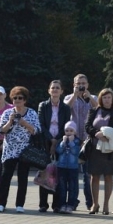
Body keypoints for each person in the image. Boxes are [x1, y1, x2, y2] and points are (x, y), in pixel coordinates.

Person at [0, 86, 40, 213]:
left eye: (20, 98)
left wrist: (24, 122)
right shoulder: (7, 113)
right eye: (15, 98)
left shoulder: (31, 113)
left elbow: (36, 131)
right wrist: (10, 121)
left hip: (25, 150)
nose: (17, 100)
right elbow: (1, 131)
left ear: (25, 100)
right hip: (9, 150)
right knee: (5, 177)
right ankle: (2, 204)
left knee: (22, 177)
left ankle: (20, 204)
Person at [84, 88, 113, 214]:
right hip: (95, 147)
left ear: (112, 99)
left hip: (110, 148)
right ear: (101, 99)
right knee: (94, 176)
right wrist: (96, 133)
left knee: (108, 176)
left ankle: (106, 205)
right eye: (104, 97)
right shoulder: (94, 110)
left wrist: (108, 135)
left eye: (109, 97)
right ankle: (95, 204)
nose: (107, 100)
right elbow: (87, 126)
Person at [64, 74, 97, 210]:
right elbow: (66, 108)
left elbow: (98, 108)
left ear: (88, 85)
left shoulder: (93, 98)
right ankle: (72, 201)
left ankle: (90, 203)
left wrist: (88, 97)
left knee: (88, 174)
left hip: (88, 140)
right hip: (73, 139)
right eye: (78, 83)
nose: (81, 85)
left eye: (83, 83)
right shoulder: (69, 97)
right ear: (74, 85)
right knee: (72, 173)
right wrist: (75, 95)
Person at [37, 80, 71, 213]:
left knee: (58, 173)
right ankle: (43, 204)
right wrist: (50, 139)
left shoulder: (66, 108)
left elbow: (66, 125)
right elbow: (41, 124)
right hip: (45, 142)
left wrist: (56, 141)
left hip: (61, 142)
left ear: (62, 91)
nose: (55, 90)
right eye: (53, 88)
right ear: (49, 90)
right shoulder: (43, 106)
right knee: (45, 172)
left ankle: (57, 204)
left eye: (58, 88)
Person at [55, 120, 81, 214]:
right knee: (62, 187)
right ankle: (62, 204)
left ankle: (70, 204)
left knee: (72, 187)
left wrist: (71, 143)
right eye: (67, 130)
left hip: (73, 167)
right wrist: (63, 142)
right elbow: (58, 151)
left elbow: (76, 152)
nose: (69, 133)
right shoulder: (62, 140)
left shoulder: (77, 141)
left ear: (75, 132)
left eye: (71, 130)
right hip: (62, 167)